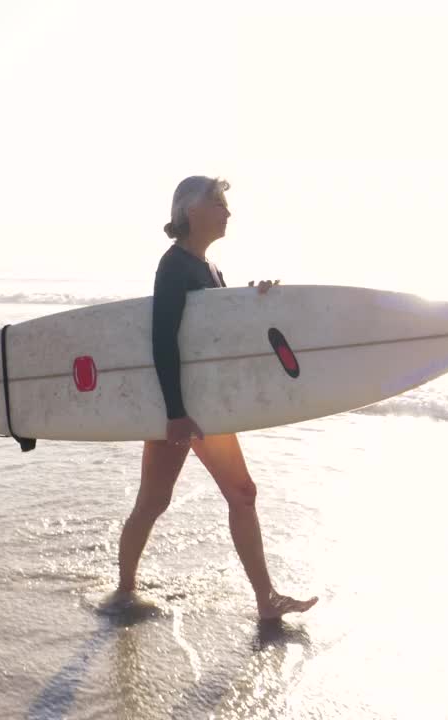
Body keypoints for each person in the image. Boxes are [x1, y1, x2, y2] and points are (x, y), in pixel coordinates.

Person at [110, 176, 317, 620]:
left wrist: (254, 300)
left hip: (208, 405)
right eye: (219, 203)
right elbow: (163, 341)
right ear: (190, 211)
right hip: (182, 407)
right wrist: (175, 413)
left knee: (241, 493)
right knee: (154, 501)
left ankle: (266, 601)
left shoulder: (211, 269)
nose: (228, 212)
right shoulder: (174, 267)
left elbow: (220, 338)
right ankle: (124, 590)